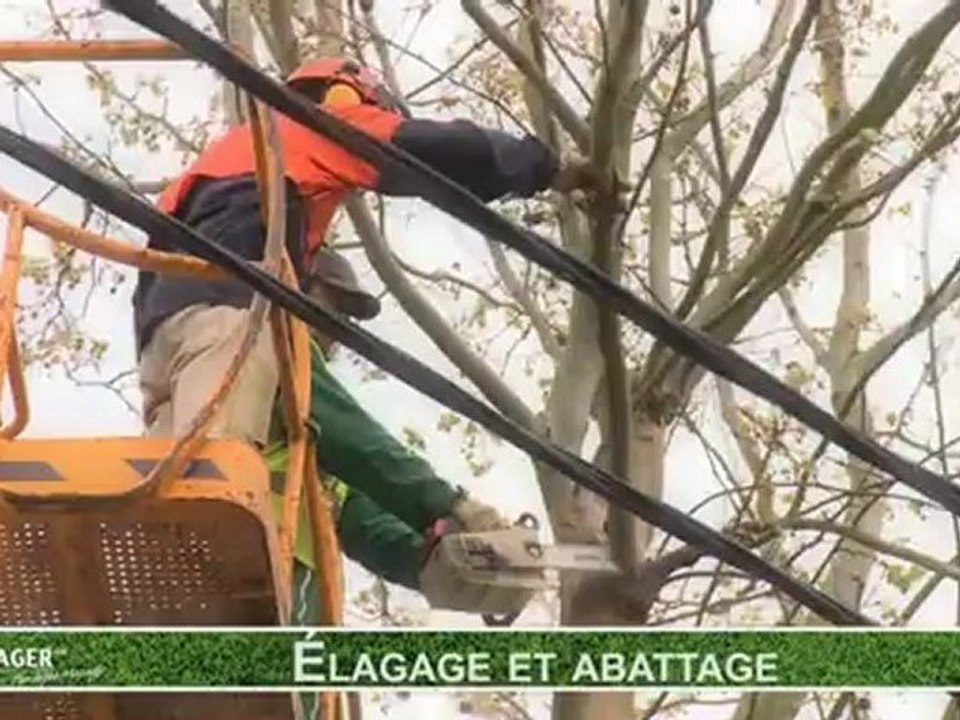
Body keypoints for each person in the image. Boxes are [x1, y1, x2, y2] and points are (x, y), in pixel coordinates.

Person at [136, 56, 594, 455]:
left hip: (158, 334)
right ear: (345, 94)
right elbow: (442, 151)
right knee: (221, 476)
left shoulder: (238, 151)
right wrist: (547, 169)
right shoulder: (317, 127)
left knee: (168, 485)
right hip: (226, 314)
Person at [264, 247, 503, 624]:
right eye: (334, 303)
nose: (338, 324)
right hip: (252, 554)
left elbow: (359, 516)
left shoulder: (310, 448)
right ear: (298, 287)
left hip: (294, 590)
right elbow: (359, 443)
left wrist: (436, 563)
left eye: (346, 314)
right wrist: (451, 503)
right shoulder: (274, 344)